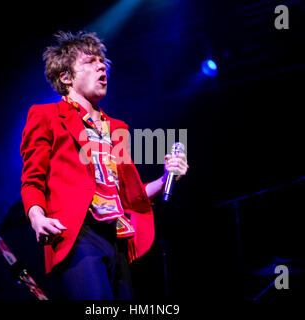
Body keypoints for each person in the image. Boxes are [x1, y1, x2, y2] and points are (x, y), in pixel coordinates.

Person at [20, 31, 188, 300]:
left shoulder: (117, 128)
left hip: (118, 234)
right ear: (66, 77)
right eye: (89, 62)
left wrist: (168, 176)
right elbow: (32, 179)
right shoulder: (46, 116)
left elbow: (129, 196)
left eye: (102, 62)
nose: (101, 66)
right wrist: (36, 216)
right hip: (77, 234)